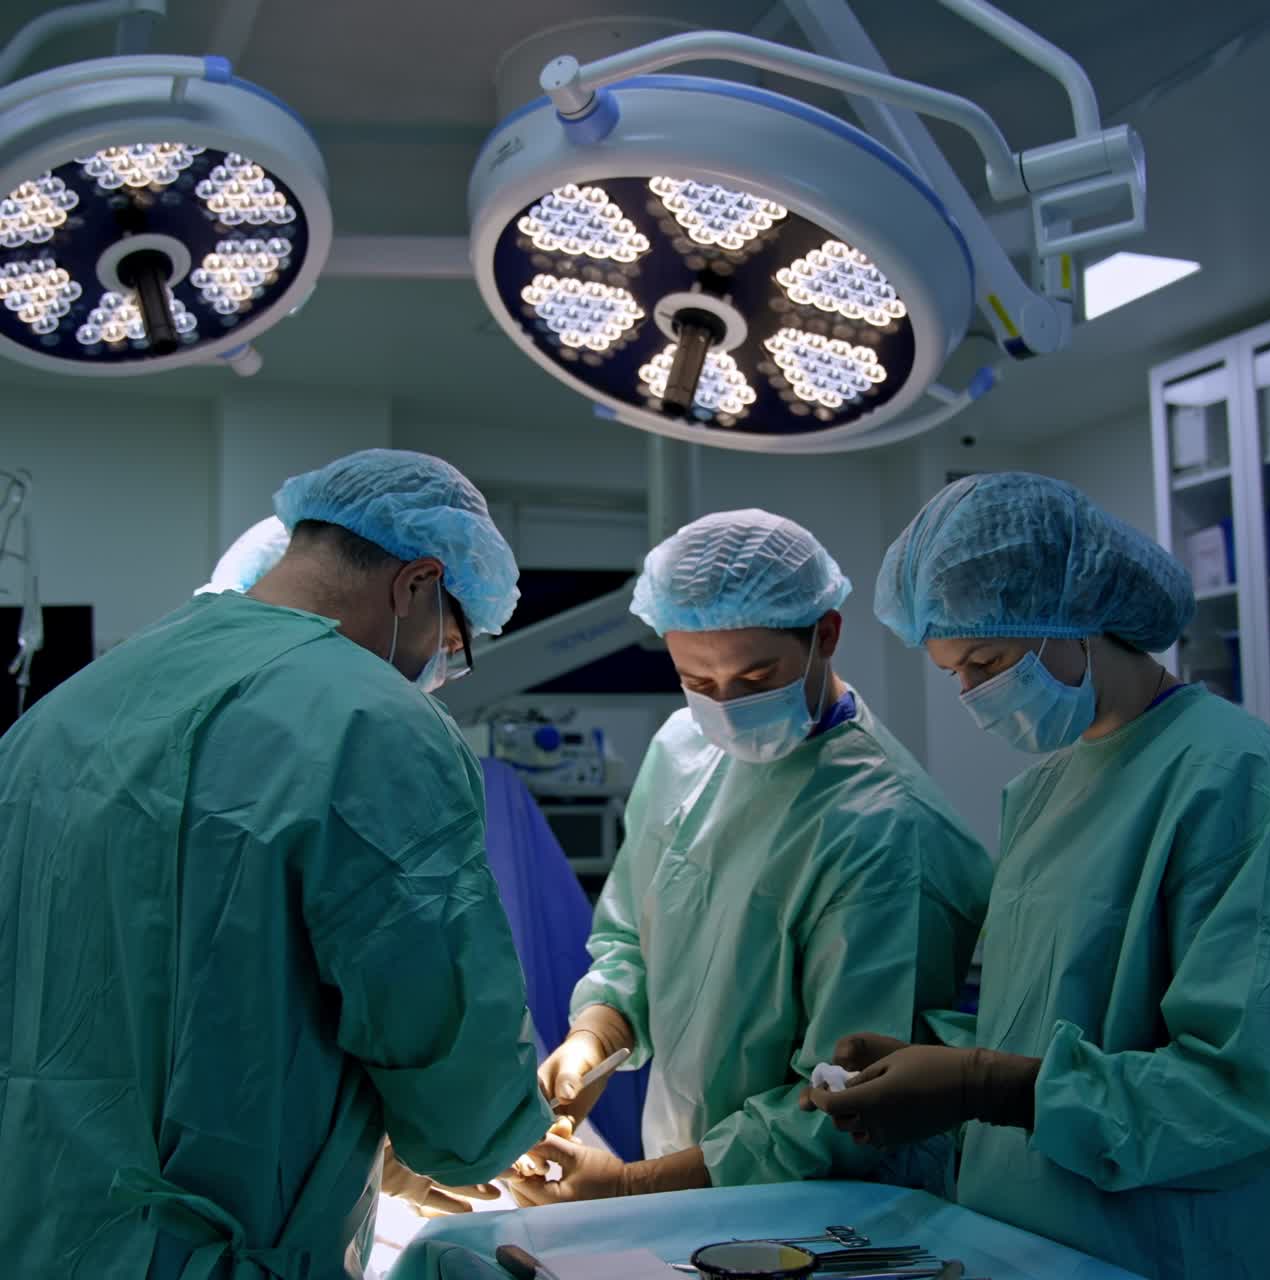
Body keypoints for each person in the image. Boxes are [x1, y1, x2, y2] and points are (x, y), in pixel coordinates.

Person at [0, 449, 550, 1278]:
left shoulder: (63, 710)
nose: (438, 668)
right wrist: (477, 1136)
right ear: (418, 582)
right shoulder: (375, 721)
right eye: (452, 641)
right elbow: (449, 1060)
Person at [803, 471, 1270, 1280]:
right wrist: (926, 1062)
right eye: (954, 671)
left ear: (1077, 616)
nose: (972, 694)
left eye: (985, 661)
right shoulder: (1043, 789)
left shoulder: (1235, 777)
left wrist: (986, 1086)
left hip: (1157, 1247)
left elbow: (1240, 1092)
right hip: (1016, 1233)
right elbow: (1044, 1011)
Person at [510, 509, 993, 1206]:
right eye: (697, 682)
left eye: (755, 678)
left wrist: (629, 1186)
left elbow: (843, 1102)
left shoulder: (889, 830)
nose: (725, 708)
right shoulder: (682, 748)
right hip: (682, 1180)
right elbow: (630, 937)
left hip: (833, 1214)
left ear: (826, 634)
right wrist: (595, 1038)